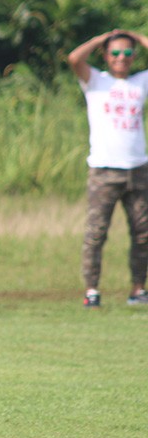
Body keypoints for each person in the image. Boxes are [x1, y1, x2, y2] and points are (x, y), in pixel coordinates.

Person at [67, 28, 148, 307]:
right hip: (104, 170)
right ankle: (92, 290)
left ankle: (138, 289)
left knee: (142, 232)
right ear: (105, 55)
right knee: (96, 232)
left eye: (127, 53)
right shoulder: (96, 82)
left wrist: (138, 38)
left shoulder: (140, 82)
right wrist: (100, 38)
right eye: (115, 53)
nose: (121, 58)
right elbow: (74, 58)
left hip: (137, 169)